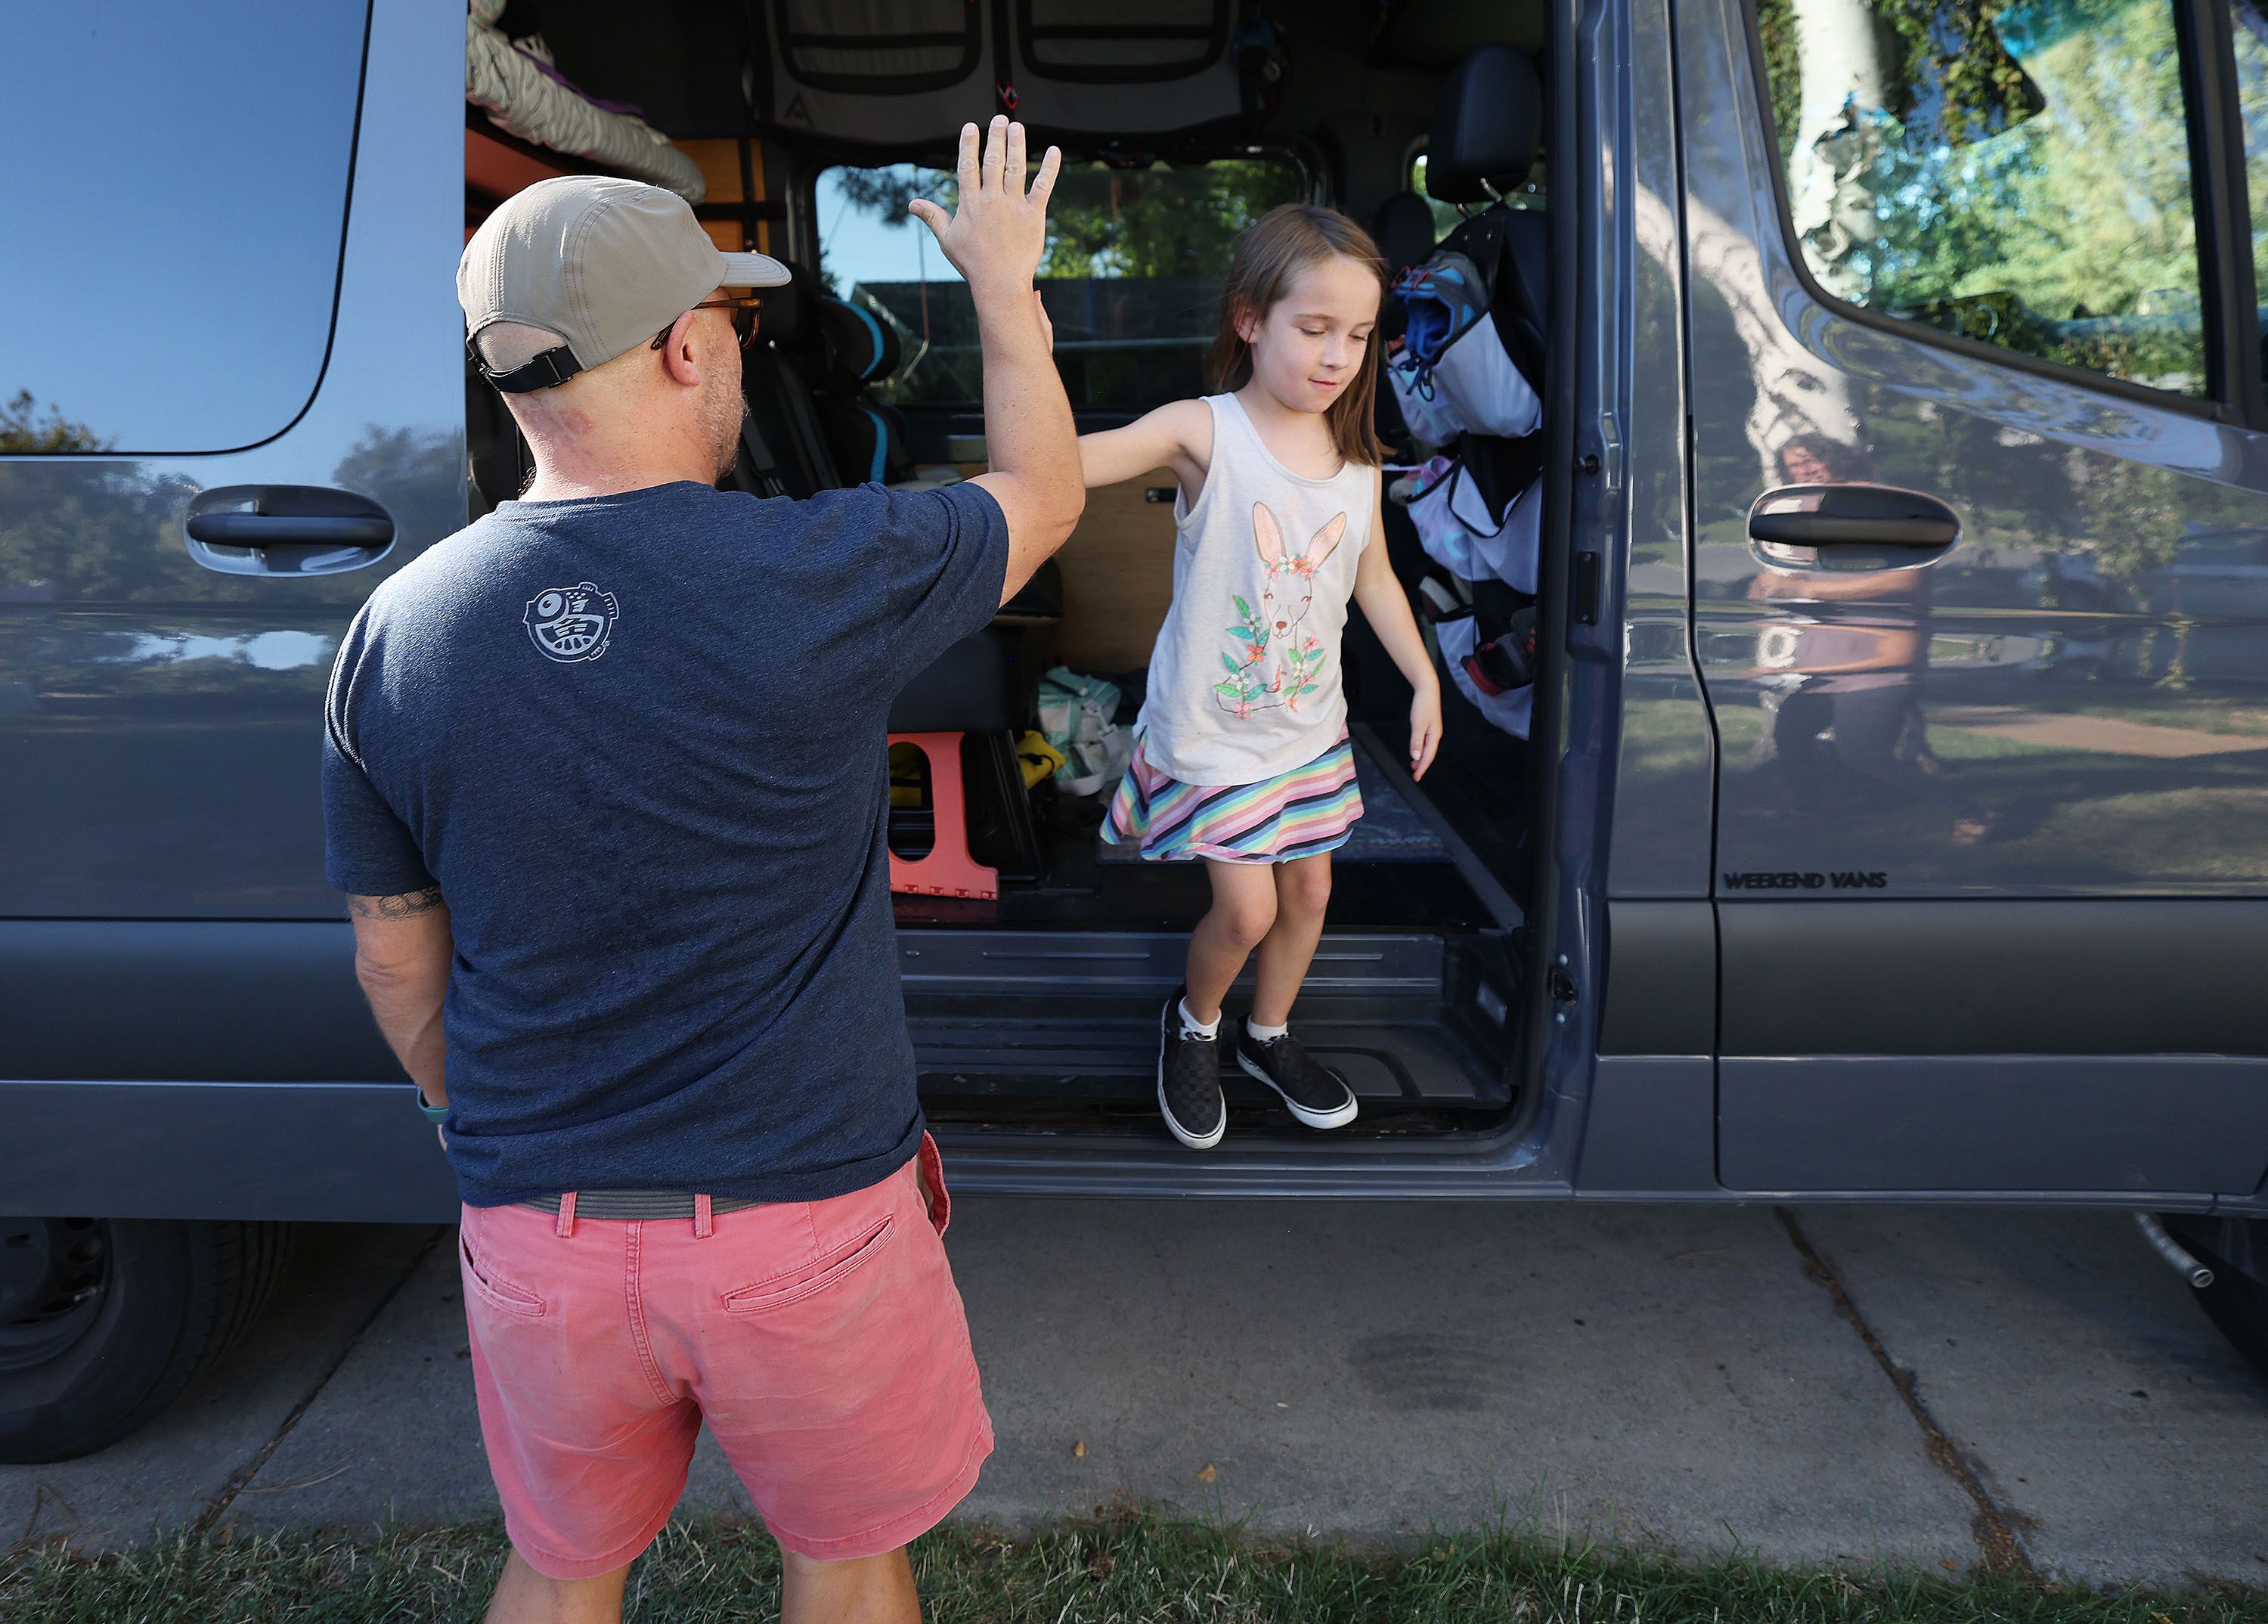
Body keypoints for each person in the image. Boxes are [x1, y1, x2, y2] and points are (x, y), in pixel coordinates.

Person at [321, 118, 1077, 1624]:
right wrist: (1003, 283)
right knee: (848, 1568)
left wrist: (470, 1115)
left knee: (558, 1566)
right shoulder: (814, 569)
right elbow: (1044, 496)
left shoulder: (395, 632)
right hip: (805, 1232)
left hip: (540, 1233)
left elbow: (398, 962)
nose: (735, 349)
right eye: (727, 322)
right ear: (681, 352)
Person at [1073, 204, 1445, 1151]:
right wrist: (1020, 346)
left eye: (1358, 336)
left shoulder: (1356, 462)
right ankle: (1194, 1025)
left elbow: (1375, 581)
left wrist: (1425, 680)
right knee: (1245, 910)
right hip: (1213, 732)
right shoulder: (1204, 432)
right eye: (1313, 329)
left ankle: (1265, 1034)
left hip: (1307, 731)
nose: (1337, 357)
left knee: (1311, 898)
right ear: (1250, 319)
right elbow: (1060, 466)